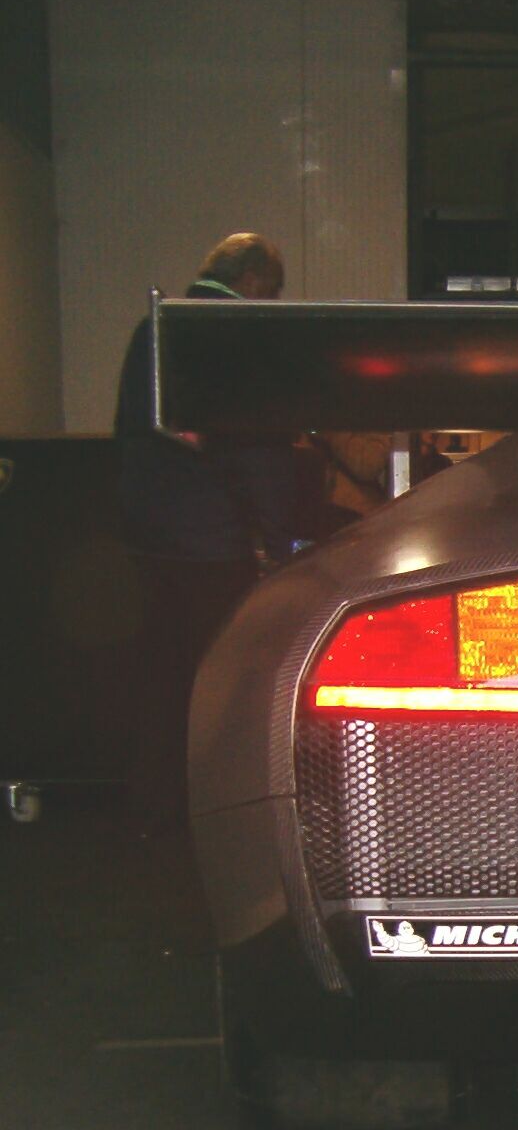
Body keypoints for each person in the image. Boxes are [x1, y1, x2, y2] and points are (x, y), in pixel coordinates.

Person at [113, 232, 303, 831]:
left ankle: (152, 808)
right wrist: (280, 543)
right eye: (270, 294)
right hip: (212, 546)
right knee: (221, 685)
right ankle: (218, 816)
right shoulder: (232, 337)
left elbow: (131, 432)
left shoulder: (156, 328)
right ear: (252, 282)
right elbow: (257, 455)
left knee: (158, 676)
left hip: (146, 539)